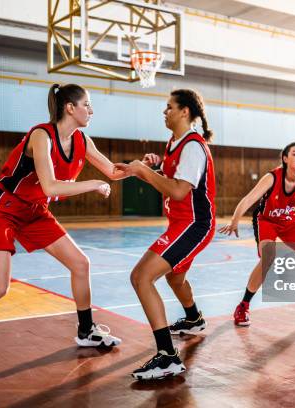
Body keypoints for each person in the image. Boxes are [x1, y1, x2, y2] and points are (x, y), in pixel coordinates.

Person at [0, 83, 125, 377]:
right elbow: (51, 185)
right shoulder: (42, 135)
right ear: (70, 107)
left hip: (34, 211)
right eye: (87, 104)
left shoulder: (83, 141)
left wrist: (146, 169)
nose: (91, 110)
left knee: (80, 263)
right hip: (2, 210)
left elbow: (113, 171)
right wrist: (92, 184)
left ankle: (86, 329)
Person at [114, 89, 216, 380]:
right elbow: (175, 176)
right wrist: (155, 165)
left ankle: (168, 356)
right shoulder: (175, 142)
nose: (165, 111)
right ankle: (194, 318)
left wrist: (142, 172)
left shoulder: (193, 146)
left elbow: (178, 190)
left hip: (194, 224)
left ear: (185, 112)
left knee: (141, 277)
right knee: (174, 277)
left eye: (169, 107)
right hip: (181, 223)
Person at [219, 142, 295, 326]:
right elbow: (249, 198)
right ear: (285, 158)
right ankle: (243, 305)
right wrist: (235, 220)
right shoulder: (272, 177)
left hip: (292, 222)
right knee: (268, 257)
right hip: (267, 221)